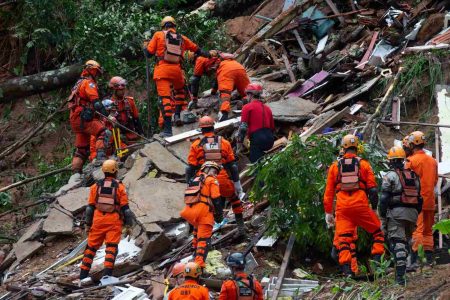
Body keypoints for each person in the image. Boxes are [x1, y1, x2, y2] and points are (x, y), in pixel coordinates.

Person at [323, 134, 385, 275]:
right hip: (361, 206)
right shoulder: (364, 165)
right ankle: (377, 265)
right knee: (378, 233)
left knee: (344, 239)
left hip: (343, 208)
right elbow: (373, 191)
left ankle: (348, 272)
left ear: (343, 148)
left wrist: (328, 213)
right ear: (357, 147)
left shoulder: (334, 167)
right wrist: (374, 209)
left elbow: (328, 193)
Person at [145, 16, 210, 137]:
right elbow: (197, 49)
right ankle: (177, 115)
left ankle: (168, 130)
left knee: (165, 99)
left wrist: (145, 47)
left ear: (163, 26)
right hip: (176, 70)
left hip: (162, 70)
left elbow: (148, 54)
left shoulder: (158, 35)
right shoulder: (182, 38)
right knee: (180, 91)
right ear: (174, 26)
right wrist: (209, 55)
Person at [186, 116, 246, 237]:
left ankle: (196, 236)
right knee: (235, 200)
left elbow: (190, 168)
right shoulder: (224, 142)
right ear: (213, 127)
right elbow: (233, 166)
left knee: (198, 206)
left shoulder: (196, 145)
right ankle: (241, 229)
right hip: (221, 178)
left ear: (201, 130)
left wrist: (190, 185)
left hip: (203, 181)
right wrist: (237, 185)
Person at [80, 159, 134, 280]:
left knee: (91, 248)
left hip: (98, 219)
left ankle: (82, 277)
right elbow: (126, 210)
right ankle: (107, 276)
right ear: (115, 171)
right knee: (111, 248)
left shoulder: (95, 186)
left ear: (103, 171)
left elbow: (89, 209)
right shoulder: (120, 187)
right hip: (113, 221)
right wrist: (129, 226)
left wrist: (88, 224)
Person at [379, 146, 422, 285]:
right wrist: (415, 214)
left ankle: (400, 279)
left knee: (397, 243)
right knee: (405, 243)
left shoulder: (390, 176)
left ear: (391, 162)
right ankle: (402, 270)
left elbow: (384, 198)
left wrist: (382, 214)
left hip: (396, 213)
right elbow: (419, 199)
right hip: (412, 214)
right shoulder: (413, 176)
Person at [68, 60, 111, 173]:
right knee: (104, 132)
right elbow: (96, 103)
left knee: (82, 149)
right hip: (83, 118)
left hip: (75, 119)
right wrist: (107, 116)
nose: (97, 75)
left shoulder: (77, 84)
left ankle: (76, 173)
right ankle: (100, 160)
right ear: (91, 70)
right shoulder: (89, 83)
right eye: (96, 72)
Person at [404, 131, 438, 265]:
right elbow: (435, 181)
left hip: (415, 201)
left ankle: (415, 259)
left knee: (417, 229)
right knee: (428, 230)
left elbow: (405, 182)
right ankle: (429, 258)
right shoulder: (433, 161)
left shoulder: (410, 161)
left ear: (412, 144)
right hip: (430, 199)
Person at [181, 161, 222, 269]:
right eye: (215, 171)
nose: (216, 174)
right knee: (204, 240)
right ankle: (199, 265)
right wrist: (219, 214)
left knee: (196, 234)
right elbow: (216, 199)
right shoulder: (212, 180)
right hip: (203, 212)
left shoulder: (195, 179)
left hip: (190, 212)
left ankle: (194, 255)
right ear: (210, 170)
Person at [238, 83, 275, 163]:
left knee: (256, 165)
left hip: (258, 138)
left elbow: (243, 128)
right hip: (270, 138)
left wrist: (239, 144)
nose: (246, 97)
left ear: (250, 94)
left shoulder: (247, 107)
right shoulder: (267, 108)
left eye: (247, 94)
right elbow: (272, 127)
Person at [108, 76, 144, 143]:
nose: (122, 92)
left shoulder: (130, 101)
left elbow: (136, 119)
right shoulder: (109, 104)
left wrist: (141, 134)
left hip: (131, 133)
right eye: (120, 90)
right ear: (114, 90)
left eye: (123, 89)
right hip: (117, 136)